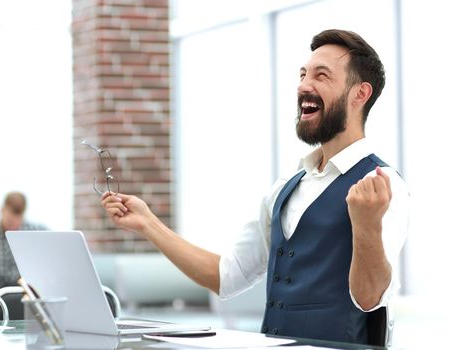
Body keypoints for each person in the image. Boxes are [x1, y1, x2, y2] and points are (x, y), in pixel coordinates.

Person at [101, 29, 410, 344]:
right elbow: (226, 277)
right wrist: (148, 224)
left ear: (360, 94)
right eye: (303, 74)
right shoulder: (286, 188)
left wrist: (367, 225)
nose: (304, 85)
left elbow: (369, 298)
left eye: (322, 76)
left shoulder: (381, 185)